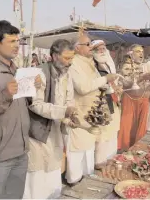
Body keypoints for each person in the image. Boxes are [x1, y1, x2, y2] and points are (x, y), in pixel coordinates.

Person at [0, 20, 41, 199]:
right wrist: (4, 95)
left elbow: (21, 106)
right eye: (11, 42)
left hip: (21, 151)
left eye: (17, 41)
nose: (16, 46)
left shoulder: (17, 71)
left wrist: (33, 88)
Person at [23, 39, 79, 199]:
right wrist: (64, 112)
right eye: (67, 58)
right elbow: (35, 105)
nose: (70, 62)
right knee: (37, 175)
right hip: (37, 132)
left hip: (55, 131)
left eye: (71, 58)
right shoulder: (39, 73)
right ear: (54, 56)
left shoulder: (66, 73)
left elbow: (68, 100)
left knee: (53, 171)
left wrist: (69, 117)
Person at [66, 37, 118, 186]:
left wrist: (110, 88)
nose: (91, 47)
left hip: (92, 116)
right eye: (88, 44)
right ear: (77, 48)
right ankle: (73, 188)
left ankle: (86, 188)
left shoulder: (89, 62)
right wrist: (105, 79)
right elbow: (82, 87)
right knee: (76, 157)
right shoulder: (74, 63)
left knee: (88, 155)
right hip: (79, 117)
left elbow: (96, 85)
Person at [117, 44, 150, 151]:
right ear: (131, 54)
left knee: (141, 126)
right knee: (127, 125)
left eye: (142, 51)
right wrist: (140, 78)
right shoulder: (126, 66)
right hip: (130, 99)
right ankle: (124, 149)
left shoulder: (146, 65)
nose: (141, 53)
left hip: (144, 99)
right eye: (138, 51)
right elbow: (126, 83)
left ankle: (138, 149)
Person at [91, 40, 122, 165]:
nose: (102, 51)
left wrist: (117, 88)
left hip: (113, 101)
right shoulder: (93, 64)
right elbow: (94, 83)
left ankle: (111, 159)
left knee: (112, 131)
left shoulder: (109, 62)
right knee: (102, 135)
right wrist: (112, 88)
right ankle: (100, 162)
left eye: (103, 48)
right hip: (101, 102)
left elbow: (114, 80)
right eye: (98, 49)